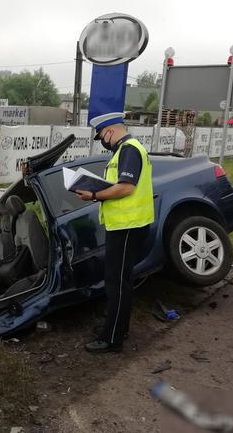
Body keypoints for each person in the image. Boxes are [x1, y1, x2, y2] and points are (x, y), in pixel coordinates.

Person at [75, 115, 155, 353]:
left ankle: (112, 339)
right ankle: (119, 329)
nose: (102, 141)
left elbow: (126, 187)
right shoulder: (127, 150)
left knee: (116, 283)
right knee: (120, 281)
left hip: (126, 226)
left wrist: (95, 195)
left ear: (109, 131)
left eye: (101, 136)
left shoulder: (129, 150)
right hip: (127, 225)